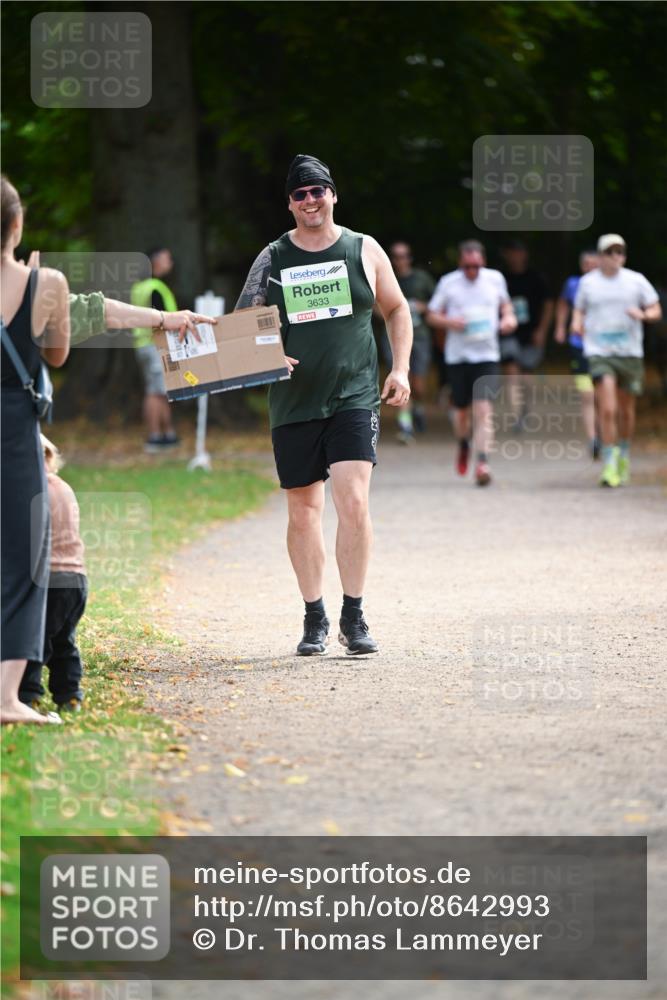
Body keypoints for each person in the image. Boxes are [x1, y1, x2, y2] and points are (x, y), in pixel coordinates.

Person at [235, 154, 412, 656]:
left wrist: (398, 368)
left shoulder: (364, 249)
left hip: (355, 394)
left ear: (333, 195)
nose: (310, 201)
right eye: (300, 194)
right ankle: (314, 616)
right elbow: (242, 325)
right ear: (290, 204)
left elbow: (396, 308)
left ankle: (353, 616)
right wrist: (268, 351)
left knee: (353, 500)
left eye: (318, 191)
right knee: (303, 510)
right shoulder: (273, 258)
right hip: (293, 401)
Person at [1, 175, 70, 724]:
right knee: (23, 559)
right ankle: (7, 698)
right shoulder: (47, 283)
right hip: (14, 429)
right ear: (18, 225)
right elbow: (57, 352)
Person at [571, 234, 661, 487]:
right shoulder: (588, 283)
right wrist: (576, 323)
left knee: (625, 410)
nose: (615, 257)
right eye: (609, 252)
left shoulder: (636, 281)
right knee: (607, 408)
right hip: (599, 351)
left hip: (629, 352)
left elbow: (656, 309)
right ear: (600, 257)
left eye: (619, 252)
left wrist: (643, 314)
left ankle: (623, 452)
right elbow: (579, 309)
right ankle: (609, 462)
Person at [427, 240, 517, 486]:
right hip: (458, 357)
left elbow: (506, 306)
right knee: (462, 415)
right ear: (460, 264)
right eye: (467, 266)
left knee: (484, 410)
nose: (471, 271)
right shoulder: (448, 283)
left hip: (487, 355)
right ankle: (464, 443)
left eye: (476, 266)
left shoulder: (495, 279)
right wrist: (449, 323)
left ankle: (483, 462)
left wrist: (508, 318)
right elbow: (432, 315)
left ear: (483, 262)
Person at [19, 436, 87, 712]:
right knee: (63, 641)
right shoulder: (63, 487)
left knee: (31, 639)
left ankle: (27, 694)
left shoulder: (34, 490)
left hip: (50, 579)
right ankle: (69, 695)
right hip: (76, 580)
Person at [131, 247, 180, 453]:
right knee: (155, 392)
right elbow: (160, 320)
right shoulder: (155, 288)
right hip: (154, 345)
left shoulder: (139, 287)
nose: (170, 263)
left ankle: (166, 434)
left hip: (142, 345)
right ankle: (155, 436)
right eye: (166, 259)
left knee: (159, 390)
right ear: (155, 261)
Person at [500, 240, 554, 426]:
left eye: (518, 252)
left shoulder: (536, 278)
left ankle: (524, 407)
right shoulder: (501, 279)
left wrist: (542, 330)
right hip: (508, 332)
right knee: (511, 371)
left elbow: (548, 305)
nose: (515, 257)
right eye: (511, 252)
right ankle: (516, 416)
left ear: (525, 255)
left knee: (526, 375)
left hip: (531, 332)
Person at [554, 249, 600, 458]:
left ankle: (604, 433)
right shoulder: (573, 284)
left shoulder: (610, 285)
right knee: (587, 395)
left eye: (594, 264)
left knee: (603, 395)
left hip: (604, 348)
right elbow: (563, 305)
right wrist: (561, 328)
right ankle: (593, 439)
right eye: (587, 264)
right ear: (582, 266)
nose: (591, 268)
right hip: (579, 345)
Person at [387, 242, 435, 442]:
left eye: (404, 255)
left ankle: (419, 408)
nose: (401, 260)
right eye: (396, 256)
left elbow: (437, 304)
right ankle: (405, 426)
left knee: (418, 384)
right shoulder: (387, 277)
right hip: (392, 337)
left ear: (410, 257)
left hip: (419, 336)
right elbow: (372, 305)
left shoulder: (422, 279)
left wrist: (419, 307)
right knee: (400, 379)